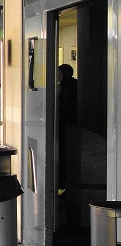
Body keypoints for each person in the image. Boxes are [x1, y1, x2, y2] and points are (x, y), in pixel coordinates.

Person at [57, 63, 78, 195]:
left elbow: (64, 106)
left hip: (68, 125)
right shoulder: (70, 85)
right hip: (67, 125)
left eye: (59, 74)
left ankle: (62, 186)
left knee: (64, 155)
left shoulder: (70, 87)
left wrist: (58, 93)